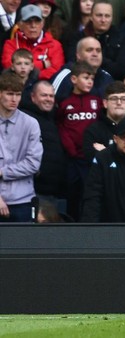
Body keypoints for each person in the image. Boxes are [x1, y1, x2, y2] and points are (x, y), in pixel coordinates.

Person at [55, 61, 102, 221]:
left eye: (92, 78)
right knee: (72, 194)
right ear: (74, 79)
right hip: (72, 159)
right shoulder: (65, 103)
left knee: (90, 195)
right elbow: (61, 126)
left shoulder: (97, 101)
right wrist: (71, 149)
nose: (90, 81)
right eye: (86, 77)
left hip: (91, 158)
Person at [0, 72, 43, 223]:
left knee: (24, 245)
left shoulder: (31, 124)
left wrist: (3, 172)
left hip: (23, 200)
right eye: (9, 94)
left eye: (18, 94)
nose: (14, 99)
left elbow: (33, 164)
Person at [19, 80, 67, 212]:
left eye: (51, 96)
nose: (49, 99)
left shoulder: (51, 118)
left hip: (54, 190)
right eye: (44, 95)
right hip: (34, 190)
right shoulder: (25, 118)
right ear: (33, 97)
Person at [63, 0, 125, 81]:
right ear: (91, 17)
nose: (103, 20)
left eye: (107, 16)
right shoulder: (77, 37)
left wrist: (95, 60)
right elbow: (72, 61)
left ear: (112, 18)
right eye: (99, 15)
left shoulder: (121, 38)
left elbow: (122, 70)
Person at [1, 4, 64, 80]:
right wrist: (42, 64)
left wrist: (29, 75)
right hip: (18, 87)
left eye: (37, 21)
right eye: (28, 22)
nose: (33, 25)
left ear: (42, 24)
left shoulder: (54, 45)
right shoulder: (10, 44)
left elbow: (56, 70)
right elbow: (9, 66)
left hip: (44, 86)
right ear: (20, 25)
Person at [51, 36, 114, 105]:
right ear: (78, 55)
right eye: (89, 50)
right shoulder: (65, 75)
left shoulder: (107, 78)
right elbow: (51, 104)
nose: (95, 54)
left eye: (98, 51)